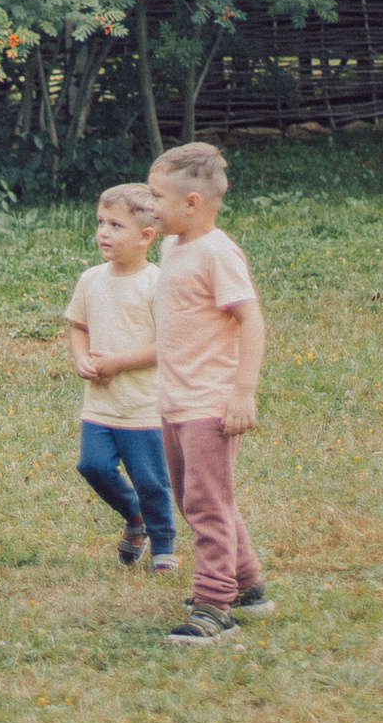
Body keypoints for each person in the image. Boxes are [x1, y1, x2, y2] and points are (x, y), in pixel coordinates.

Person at [144, 144, 274, 646]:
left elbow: (251, 320)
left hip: (209, 403)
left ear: (192, 203)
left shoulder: (217, 252)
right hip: (174, 400)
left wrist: (243, 392)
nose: (150, 205)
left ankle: (214, 603)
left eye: (157, 196)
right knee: (197, 496)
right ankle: (248, 584)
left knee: (205, 502)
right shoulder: (174, 246)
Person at [65, 183, 174, 570]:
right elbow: (78, 326)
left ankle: (163, 546)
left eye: (115, 225)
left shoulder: (157, 283)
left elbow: (167, 345)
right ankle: (135, 518)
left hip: (143, 405)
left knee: (151, 481)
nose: (103, 232)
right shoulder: (91, 279)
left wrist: (118, 363)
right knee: (92, 465)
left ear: (147, 237)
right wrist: (82, 359)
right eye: (100, 222)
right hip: (100, 405)